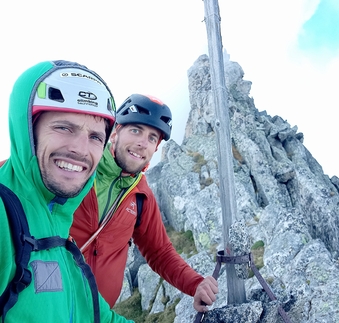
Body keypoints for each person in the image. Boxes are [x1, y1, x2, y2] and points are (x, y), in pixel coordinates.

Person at [0, 60, 133, 323]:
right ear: (28, 131)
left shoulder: (61, 238)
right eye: (63, 127)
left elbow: (99, 318)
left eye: (95, 137)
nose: (81, 150)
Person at [70, 93, 218, 312]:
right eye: (136, 130)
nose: (142, 143)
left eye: (152, 138)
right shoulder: (77, 166)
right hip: (41, 305)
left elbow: (159, 252)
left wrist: (195, 284)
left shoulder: (141, 195)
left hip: (95, 314)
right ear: (115, 133)